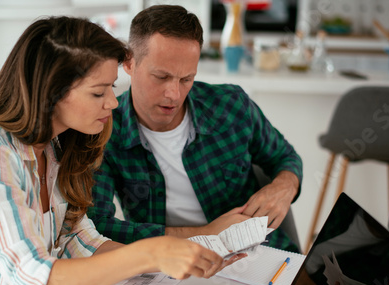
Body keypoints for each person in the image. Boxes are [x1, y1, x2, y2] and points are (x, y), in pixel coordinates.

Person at [0, 16, 244, 285]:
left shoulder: (53, 151)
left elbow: (80, 240)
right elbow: (37, 282)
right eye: (98, 92)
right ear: (52, 91)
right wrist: (152, 251)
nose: (112, 102)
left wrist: (168, 262)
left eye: (111, 88)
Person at [88, 5, 303, 252]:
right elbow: (99, 225)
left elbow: (285, 156)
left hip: (258, 252)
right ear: (128, 63)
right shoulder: (104, 131)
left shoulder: (232, 105)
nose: (174, 94)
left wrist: (283, 186)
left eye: (186, 79)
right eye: (161, 77)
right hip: (169, 261)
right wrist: (206, 235)